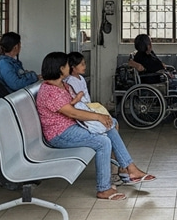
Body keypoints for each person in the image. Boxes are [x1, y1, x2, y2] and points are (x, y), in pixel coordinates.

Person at [36, 51, 155, 201]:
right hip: (61, 134)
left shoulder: (62, 85)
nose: (69, 67)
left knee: (110, 127)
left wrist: (101, 118)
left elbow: (75, 107)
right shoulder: (49, 91)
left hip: (73, 126)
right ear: (60, 68)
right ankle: (103, 189)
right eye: (67, 65)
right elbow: (73, 113)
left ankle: (129, 168)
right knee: (103, 142)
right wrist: (98, 116)